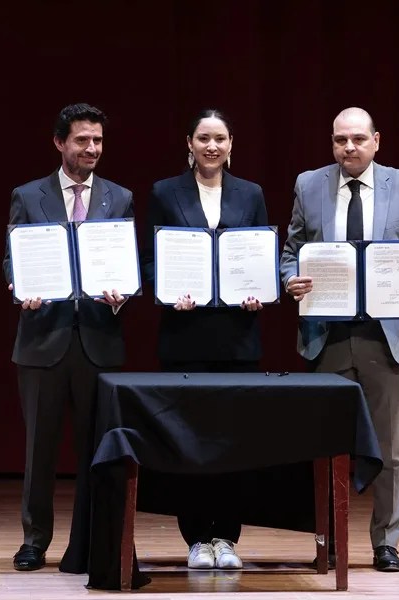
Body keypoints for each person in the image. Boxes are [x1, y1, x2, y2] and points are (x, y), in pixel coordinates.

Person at [280, 107, 399, 572]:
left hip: (387, 335)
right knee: (325, 442)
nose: (349, 148)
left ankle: (385, 541)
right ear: (331, 143)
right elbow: (292, 249)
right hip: (327, 333)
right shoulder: (308, 184)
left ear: (377, 140)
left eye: (358, 139)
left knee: (390, 447)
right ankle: (328, 537)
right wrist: (290, 276)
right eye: (340, 140)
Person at [2, 103, 134, 573]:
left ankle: (91, 542)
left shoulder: (119, 197)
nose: (92, 148)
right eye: (82, 140)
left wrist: (120, 295)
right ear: (60, 143)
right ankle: (34, 540)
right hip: (43, 339)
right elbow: (13, 257)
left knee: (96, 448)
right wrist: (20, 288)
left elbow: (125, 263)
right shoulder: (29, 194)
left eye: (97, 140)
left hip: (98, 341)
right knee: (39, 448)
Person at [140, 109, 268, 570]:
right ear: (189, 143)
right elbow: (150, 263)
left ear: (231, 144)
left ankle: (227, 539)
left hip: (237, 337)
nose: (211, 147)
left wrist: (260, 290)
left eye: (219, 139)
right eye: (202, 138)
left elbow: (260, 255)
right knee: (188, 441)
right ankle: (196, 538)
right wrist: (168, 293)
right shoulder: (163, 192)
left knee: (231, 441)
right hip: (184, 335)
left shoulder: (251, 193)